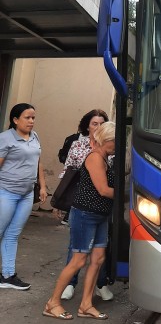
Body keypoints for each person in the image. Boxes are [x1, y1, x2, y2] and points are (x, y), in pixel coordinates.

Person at [43, 121, 116, 320]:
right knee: (79, 260)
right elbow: (103, 190)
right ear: (106, 140)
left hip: (99, 215)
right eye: (115, 141)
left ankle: (85, 305)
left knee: (98, 259)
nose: (117, 145)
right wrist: (129, 194)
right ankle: (52, 303)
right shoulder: (94, 158)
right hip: (85, 215)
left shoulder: (104, 158)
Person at [58, 110, 114, 301]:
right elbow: (102, 188)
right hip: (85, 208)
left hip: (101, 210)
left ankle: (90, 298)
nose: (97, 127)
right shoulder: (90, 153)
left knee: (98, 257)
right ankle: (60, 294)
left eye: (101, 123)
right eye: (94, 123)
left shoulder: (108, 154)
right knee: (78, 256)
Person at [0, 103, 47, 290]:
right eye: (27, 117)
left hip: (26, 194)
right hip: (6, 193)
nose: (31, 121)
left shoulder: (34, 137)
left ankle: (8, 275)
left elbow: (39, 163)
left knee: (13, 234)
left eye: (33, 117)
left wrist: (42, 187)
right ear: (15, 119)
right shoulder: (5, 139)